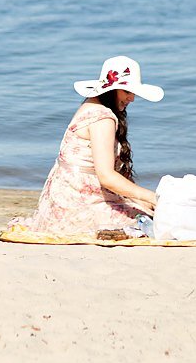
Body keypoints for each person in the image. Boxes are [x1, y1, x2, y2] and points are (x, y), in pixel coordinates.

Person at [19, 55, 164, 235]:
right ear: (113, 89)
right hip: (78, 202)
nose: (132, 98)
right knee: (150, 222)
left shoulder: (91, 105)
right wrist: (152, 197)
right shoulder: (102, 118)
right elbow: (106, 177)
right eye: (127, 92)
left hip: (62, 195)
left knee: (146, 210)